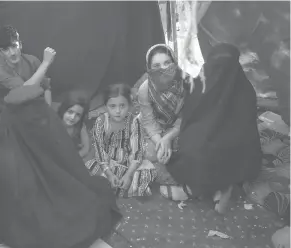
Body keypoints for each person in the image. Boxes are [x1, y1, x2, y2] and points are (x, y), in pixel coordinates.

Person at [0, 25, 121, 248]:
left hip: (38, 116)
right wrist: (47, 63)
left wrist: (47, 116)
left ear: (20, 43)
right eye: (6, 48)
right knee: (21, 175)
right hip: (17, 124)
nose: (12, 51)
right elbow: (24, 90)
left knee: (60, 167)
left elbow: (46, 86)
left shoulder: (31, 60)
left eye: (15, 45)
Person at [166, 43, 263, 213]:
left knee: (193, 148)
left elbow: (189, 118)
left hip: (214, 154)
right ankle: (226, 186)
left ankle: (193, 190)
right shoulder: (246, 90)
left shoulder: (204, 83)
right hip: (240, 160)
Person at [134, 44, 191, 200]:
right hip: (155, 129)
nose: (163, 68)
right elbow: (148, 121)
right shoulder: (145, 89)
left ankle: (151, 170)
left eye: (167, 62)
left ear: (174, 62)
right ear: (149, 68)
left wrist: (168, 138)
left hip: (179, 128)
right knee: (153, 152)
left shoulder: (186, 83)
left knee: (191, 148)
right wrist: (160, 142)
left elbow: (187, 116)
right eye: (156, 66)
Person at [86, 83, 155, 198]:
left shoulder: (134, 122)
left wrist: (128, 175)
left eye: (122, 106)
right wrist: (109, 174)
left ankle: (120, 185)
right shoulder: (101, 121)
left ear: (130, 106)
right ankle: (120, 185)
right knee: (90, 167)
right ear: (105, 107)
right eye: (112, 106)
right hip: (108, 162)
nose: (118, 111)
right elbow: (99, 149)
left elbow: (137, 151)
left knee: (147, 172)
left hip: (128, 162)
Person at [57, 93, 91, 158]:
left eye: (78, 115)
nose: (72, 117)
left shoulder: (80, 126)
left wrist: (72, 158)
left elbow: (86, 148)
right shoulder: (54, 123)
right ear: (63, 110)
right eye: (70, 112)